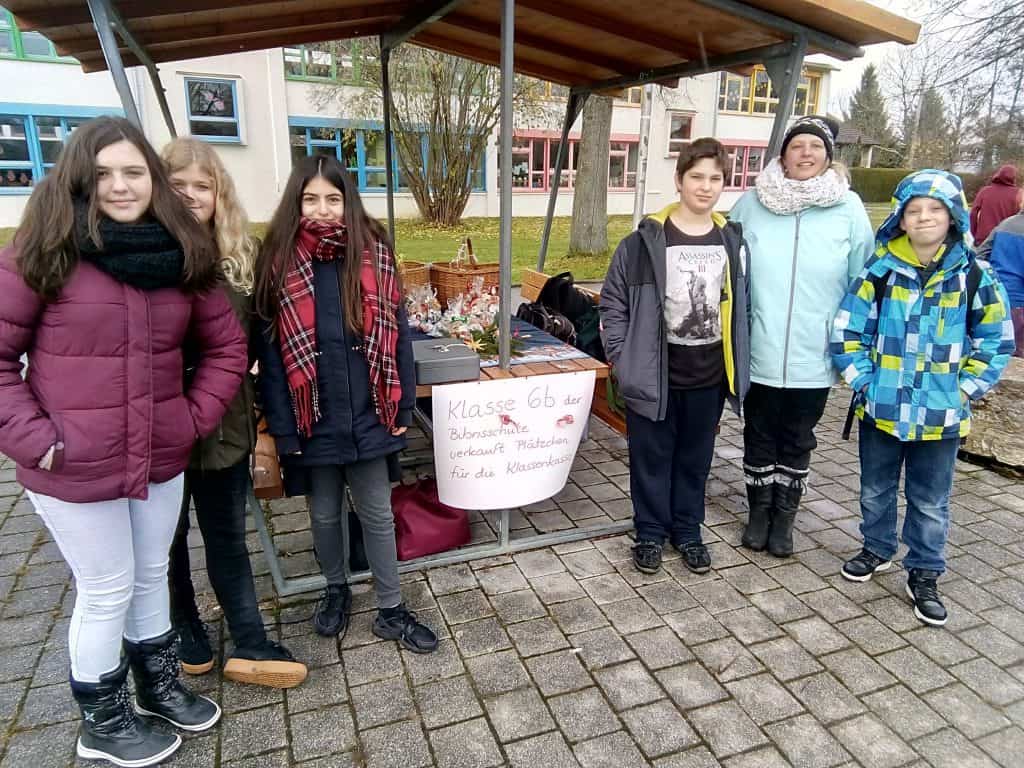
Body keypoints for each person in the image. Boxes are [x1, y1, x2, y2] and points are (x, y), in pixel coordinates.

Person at [0, 117, 247, 767]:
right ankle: (103, 723)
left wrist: (192, 419)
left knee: (149, 577)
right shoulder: (43, 252)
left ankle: (159, 688)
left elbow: (225, 346)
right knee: (105, 588)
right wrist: (36, 439)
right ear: (79, 178)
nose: (119, 185)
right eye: (103, 173)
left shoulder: (182, 254)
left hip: (159, 457)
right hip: (72, 465)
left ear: (153, 180)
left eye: (133, 171)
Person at [254, 155, 437, 653]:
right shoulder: (278, 261)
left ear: (347, 201)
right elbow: (271, 357)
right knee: (325, 514)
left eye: (333, 199)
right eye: (311, 198)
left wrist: (401, 410)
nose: (323, 209)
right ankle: (335, 589)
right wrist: (286, 431)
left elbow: (398, 340)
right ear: (296, 202)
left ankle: (391, 606)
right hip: (312, 416)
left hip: (370, 412)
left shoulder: (375, 253)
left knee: (377, 513)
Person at [831, 169, 1013, 626]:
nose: (924, 218)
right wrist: (864, 380)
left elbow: (995, 339)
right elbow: (848, 329)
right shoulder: (879, 272)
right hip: (883, 407)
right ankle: (876, 546)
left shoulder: (975, 276)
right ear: (901, 218)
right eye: (914, 210)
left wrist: (964, 388)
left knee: (930, 499)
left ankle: (925, 570)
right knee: (875, 490)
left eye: (935, 210)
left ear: (953, 217)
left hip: (941, 415)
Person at [162, 137, 308, 688]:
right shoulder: (141, 253)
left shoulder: (239, 256)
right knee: (167, 541)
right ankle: (185, 628)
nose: (193, 195)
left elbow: (258, 341)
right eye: (180, 185)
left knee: (226, 535)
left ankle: (248, 637)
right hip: (160, 428)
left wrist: (272, 415)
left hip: (224, 425)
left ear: (219, 193)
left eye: (204, 185)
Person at [600, 137, 750, 575]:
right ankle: (649, 532)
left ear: (724, 184)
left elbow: (745, 305)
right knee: (650, 457)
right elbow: (613, 303)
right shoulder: (644, 241)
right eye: (697, 177)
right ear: (680, 180)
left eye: (715, 179)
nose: (705, 187)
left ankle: (688, 531)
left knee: (694, 458)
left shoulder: (732, 243)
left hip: (707, 376)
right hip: (654, 374)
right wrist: (623, 358)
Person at [728, 116, 874, 558]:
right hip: (760, 347)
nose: (806, 153)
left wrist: (852, 344)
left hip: (816, 351)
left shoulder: (848, 209)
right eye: (798, 146)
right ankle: (758, 512)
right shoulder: (750, 205)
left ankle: (784, 517)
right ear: (783, 155)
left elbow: (862, 282)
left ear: (829, 157)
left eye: (816, 146)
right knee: (758, 432)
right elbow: (728, 273)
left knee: (798, 437)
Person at [977, 208, 1024, 357]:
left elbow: (979, 257)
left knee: (996, 352)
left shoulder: (1005, 224)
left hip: (996, 297)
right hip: (1020, 302)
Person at [970, 164, 1023, 245]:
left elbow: (973, 213)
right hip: (1005, 238)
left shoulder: (985, 191)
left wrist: (974, 233)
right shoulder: (1018, 194)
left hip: (983, 238)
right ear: (1014, 178)